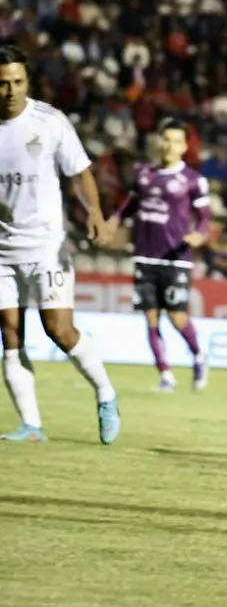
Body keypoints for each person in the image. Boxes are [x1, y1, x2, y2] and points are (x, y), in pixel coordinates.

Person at [0, 44, 121, 444]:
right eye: (3, 84)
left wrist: (95, 213)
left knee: (59, 330)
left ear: (28, 81)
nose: (11, 91)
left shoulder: (49, 122)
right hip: (2, 250)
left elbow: (81, 173)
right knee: (10, 334)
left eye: (18, 82)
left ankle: (105, 392)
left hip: (46, 245)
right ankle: (32, 425)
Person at [111, 118, 210, 392]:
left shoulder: (193, 180)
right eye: (166, 139)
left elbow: (204, 219)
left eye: (176, 141)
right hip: (145, 257)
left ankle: (198, 356)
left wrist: (199, 234)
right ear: (159, 142)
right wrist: (113, 221)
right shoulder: (144, 173)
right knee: (151, 318)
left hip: (176, 258)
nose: (170, 145)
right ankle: (165, 374)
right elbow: (129, 206)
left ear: (184, 146)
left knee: (177, 317)